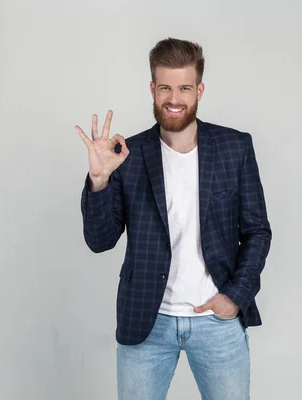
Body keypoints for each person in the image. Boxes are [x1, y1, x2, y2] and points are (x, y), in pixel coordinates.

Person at [75, 37, 272, 400]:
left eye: (184, 87)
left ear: (199, 89)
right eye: (165, 87)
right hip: (147, 322)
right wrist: (100, 180)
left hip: (217, 320)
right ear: (152, 89)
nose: (175, 98)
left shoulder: (235, 147)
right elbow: (99, 240)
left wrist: (235, 296)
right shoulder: (128, 156)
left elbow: (258, 231)